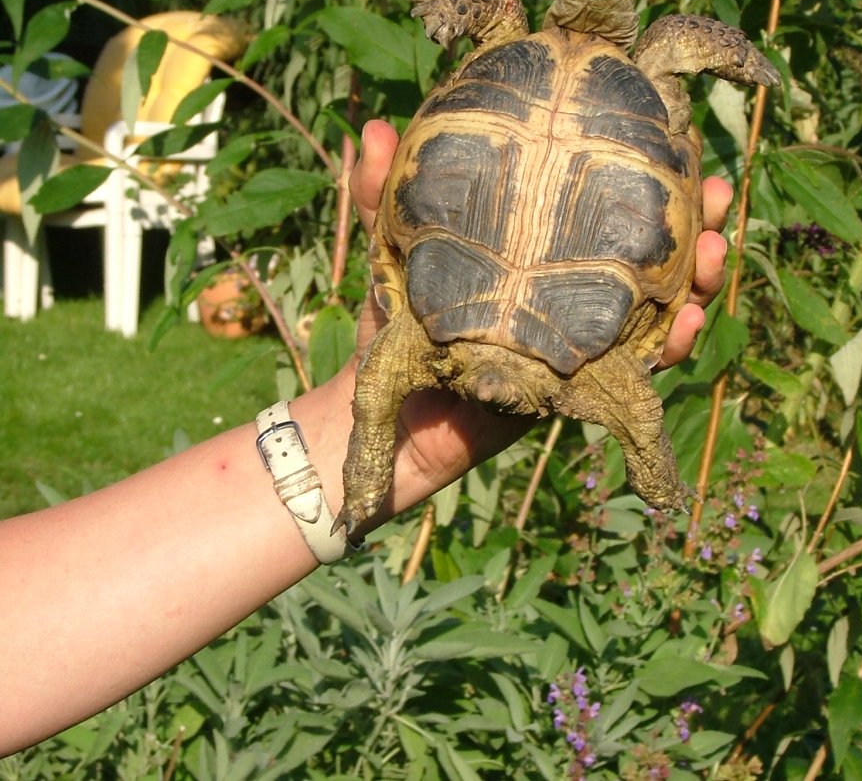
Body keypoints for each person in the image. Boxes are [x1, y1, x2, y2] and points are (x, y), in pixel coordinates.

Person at [0, 119, 733, 755]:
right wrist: (370, 453)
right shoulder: (574, 367)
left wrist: (655, 470)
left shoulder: (458, 348)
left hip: (459, 302)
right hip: (551, 322)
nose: (488, 394)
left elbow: (638, 416)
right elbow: (635, 411)